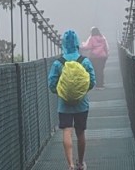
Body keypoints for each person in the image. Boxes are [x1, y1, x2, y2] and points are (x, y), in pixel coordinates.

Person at [48, 29, 96, 170]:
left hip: (64, 104)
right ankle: (81, 163)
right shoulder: (84, 61)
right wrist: (81, 91)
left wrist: (62, 92)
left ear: (63, 44)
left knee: (67, 131)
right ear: (76, 44)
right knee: (80, 132)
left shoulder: (58, 63)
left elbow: (51, 85)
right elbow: (92, 81)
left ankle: (70, 165)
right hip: (82, 104)